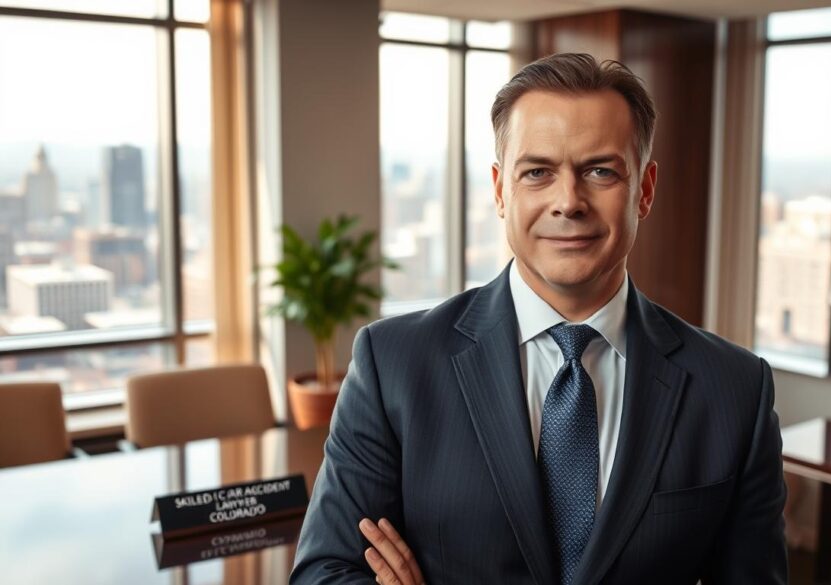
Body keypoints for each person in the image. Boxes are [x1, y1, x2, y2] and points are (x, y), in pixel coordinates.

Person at [291, 52, 787, 585]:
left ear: (644, 190)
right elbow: (325, 572)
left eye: (600, 171)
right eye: (538, 172)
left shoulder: (735, 389)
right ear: (501, 189)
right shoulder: (393, 365)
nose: (568, 202)